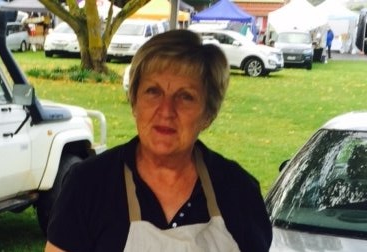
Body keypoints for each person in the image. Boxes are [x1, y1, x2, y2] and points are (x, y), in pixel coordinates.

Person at [45, 29, 272, 252]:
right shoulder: (88, 184)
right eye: (153, 91)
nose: (166, 111)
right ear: (134, 101)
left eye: (185, 97)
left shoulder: (238, 192)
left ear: (208, 114)